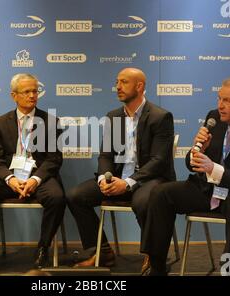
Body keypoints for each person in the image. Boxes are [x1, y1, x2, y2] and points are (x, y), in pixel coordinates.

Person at [147, 76, 230, 275]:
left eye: (227, 101)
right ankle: (156, 268)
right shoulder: (214, 118)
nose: (220, 106)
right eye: (219, 99)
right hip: (210, 190)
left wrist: (212, 168)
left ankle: (229, 272)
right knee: (161, 193)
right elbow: (192, 165)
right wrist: (196, 151)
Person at [66, 68, 176, 268]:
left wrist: (127, 183)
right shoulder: (113, 117)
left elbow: (159, 160)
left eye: (124, 82)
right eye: (117, 82)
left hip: (149, 180)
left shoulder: (160, 117)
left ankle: (153, 254)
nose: (117, 87)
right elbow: (106, 155)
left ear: (139, 86)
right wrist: (103, 180)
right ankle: (102, 252)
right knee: (75, 195)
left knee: (144, 201)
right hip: (117, 178)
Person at [0, 73, 65, 276]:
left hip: (39, 177)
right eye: (27, 91)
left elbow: (54, 159)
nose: (33, 95)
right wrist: (11, 179)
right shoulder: (0, 123)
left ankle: (43, 249)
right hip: (10, 178)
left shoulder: (50, 121)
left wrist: (34, 179)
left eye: (35, 91)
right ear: (14, 95)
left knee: (57, 197)